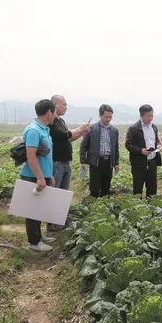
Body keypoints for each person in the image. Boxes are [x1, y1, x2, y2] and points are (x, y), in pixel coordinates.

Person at [47, 95, 89, 231]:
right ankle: (51, 224)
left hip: (65, 163)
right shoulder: (51, 122)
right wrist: (80, 128)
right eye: (64, 104)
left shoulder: (61, 121)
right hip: (56, 162)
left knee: (63, 194)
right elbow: (65, 135)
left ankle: (60, 221)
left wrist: (82, 132)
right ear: (55, 105)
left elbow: (68, 139)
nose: (66, 106)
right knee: (55, 193)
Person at [20, 99, 57, 252]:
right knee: (32, 210)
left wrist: (50, 175)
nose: (55, 116)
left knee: (39, 208)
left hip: (43, 174)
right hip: (33, 176)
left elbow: (45, 157)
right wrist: (41, 177)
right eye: (54, 112)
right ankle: (34, 243)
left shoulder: (44, 129)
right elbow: (31, 155)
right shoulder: (34, 130)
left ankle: (39, 236)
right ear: (49, 112)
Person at [80, 104, 119, 197]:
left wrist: (116, 163)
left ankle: (104, 208)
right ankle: (92, 209)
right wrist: (83, 161)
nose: (108, 119)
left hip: (108, 162)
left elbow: (116, 148)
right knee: (94, 189)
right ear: (100, 115)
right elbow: (83, 145)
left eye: (110, 117)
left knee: (106, 188)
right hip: (96, 162)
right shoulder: (92, 128)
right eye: (106, 117)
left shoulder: (114, 130)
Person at [125, 104, 162, 198]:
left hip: (152, 161)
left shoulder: (154, 127)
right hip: (139, 163)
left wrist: (158, 144)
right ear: (141, 116)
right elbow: (128, 144)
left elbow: (156, 140)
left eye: (152, 115)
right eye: (148, 116)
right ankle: (138, 209)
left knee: (152, 188)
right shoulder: (133, 128)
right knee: (138, 189)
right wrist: (141, 150)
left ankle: (152, 208)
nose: (150, 118)